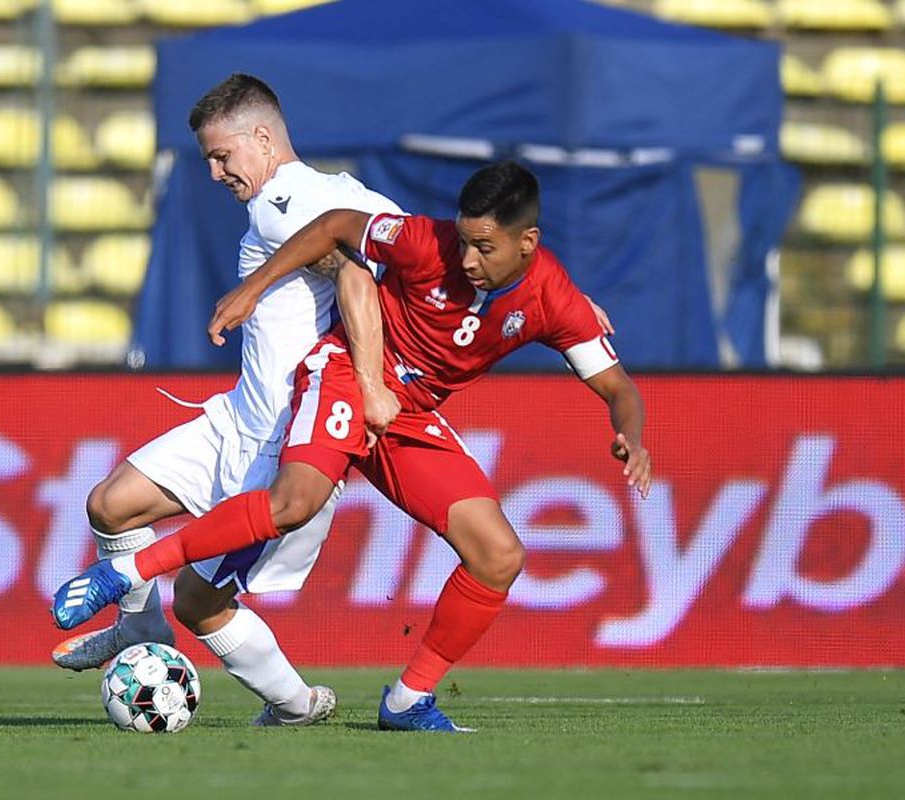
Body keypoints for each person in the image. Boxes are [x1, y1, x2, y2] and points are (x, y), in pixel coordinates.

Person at [53, 160, 651, 732]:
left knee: (499, 556)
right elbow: (337, 225)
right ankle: (129, 569)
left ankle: (408, 700)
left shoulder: (555, 298)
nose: (466, 258)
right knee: (295, 502)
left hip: (409, 416)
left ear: (529, 242)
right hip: (345, 374)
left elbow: (616, 385)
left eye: (484, 247)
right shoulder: (423, 241)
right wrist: (254, 288)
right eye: (464, 241)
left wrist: (631, 434)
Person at [50, 73, 407, 727]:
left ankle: (294, 704)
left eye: (223, 156)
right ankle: (139, 638)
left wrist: (374, 384)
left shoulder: (290, 201)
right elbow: (382, 247)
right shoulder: (335, 194)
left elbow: (357, 274)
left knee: (197, 601)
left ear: (263, 138)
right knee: (111, 505)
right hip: (238, 416)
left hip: (279, 445)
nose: (216, 173)